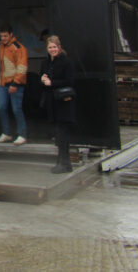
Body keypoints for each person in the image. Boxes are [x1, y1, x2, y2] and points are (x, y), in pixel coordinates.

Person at [40, 35, 77, 173]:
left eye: (54, 47)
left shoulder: (66, 62)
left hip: (64, 102)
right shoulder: (46, 63)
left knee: (63, 133)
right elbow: (44, 80)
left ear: (59, 47)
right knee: (58, 134)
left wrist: (52, 83)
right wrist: (43, 79)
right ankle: (62, 162)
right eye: (50, 47)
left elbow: (70, 81)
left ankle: (65, 163)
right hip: (52, 103)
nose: (52, 49)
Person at [0, 24, 28, 145]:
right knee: (1, 107)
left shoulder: (18, 48)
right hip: (3, 83)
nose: (3, 38)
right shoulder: (0, 46)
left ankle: (22, 134)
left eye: (5, 36)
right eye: (1, 36)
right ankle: (7, 133)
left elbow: (22, 67)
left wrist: (15, 83)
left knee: (16, 109)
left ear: (11, 35)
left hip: (15, 84)